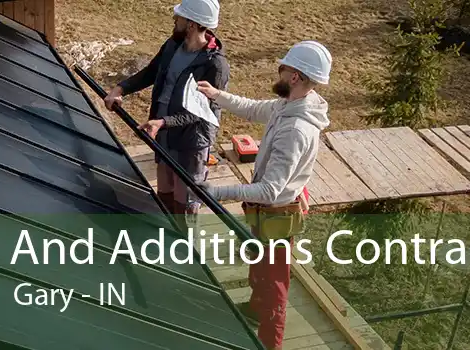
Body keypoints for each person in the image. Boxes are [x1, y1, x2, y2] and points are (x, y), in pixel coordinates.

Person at [195, 40, 333, 350]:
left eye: (283, 68)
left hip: (277, 212)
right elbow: (255, 108)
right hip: (267, 211)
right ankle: (257, 310)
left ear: (294, 76)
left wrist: (216, 192)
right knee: (259, 263)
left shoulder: (297, 129)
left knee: (274, 287)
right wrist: (217, 95)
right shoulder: (290, 104)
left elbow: (271, 189)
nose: (278, 71)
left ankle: (270, 343)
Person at [103, 0, 229, 232]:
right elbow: (151, 72)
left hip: (190, 141)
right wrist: (120, 89)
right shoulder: (173, 45)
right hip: (163, 133)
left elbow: (201, 112)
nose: (174, 20)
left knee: (186, 200)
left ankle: (188, 252)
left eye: (179, 17)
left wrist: (164, 122)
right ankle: (166, 239)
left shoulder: (214, 65)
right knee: (166, 193)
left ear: (191, 24)